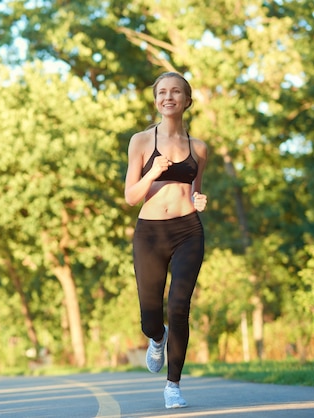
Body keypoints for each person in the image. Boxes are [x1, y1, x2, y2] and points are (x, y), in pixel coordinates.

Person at [124, 72, 208, 409]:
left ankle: (173, 385)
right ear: (156, 100)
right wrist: (153, 173)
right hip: (150, 234)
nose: (168, 97)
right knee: (150, 316)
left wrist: (199, 200)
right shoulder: (141, 141)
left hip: (188, 231)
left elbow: (195, 190)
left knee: (179, 307)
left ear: (187, 100)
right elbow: (131, 196)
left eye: (175, 92)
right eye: (162, 92)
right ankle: (156, 338)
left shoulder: (198, 147)